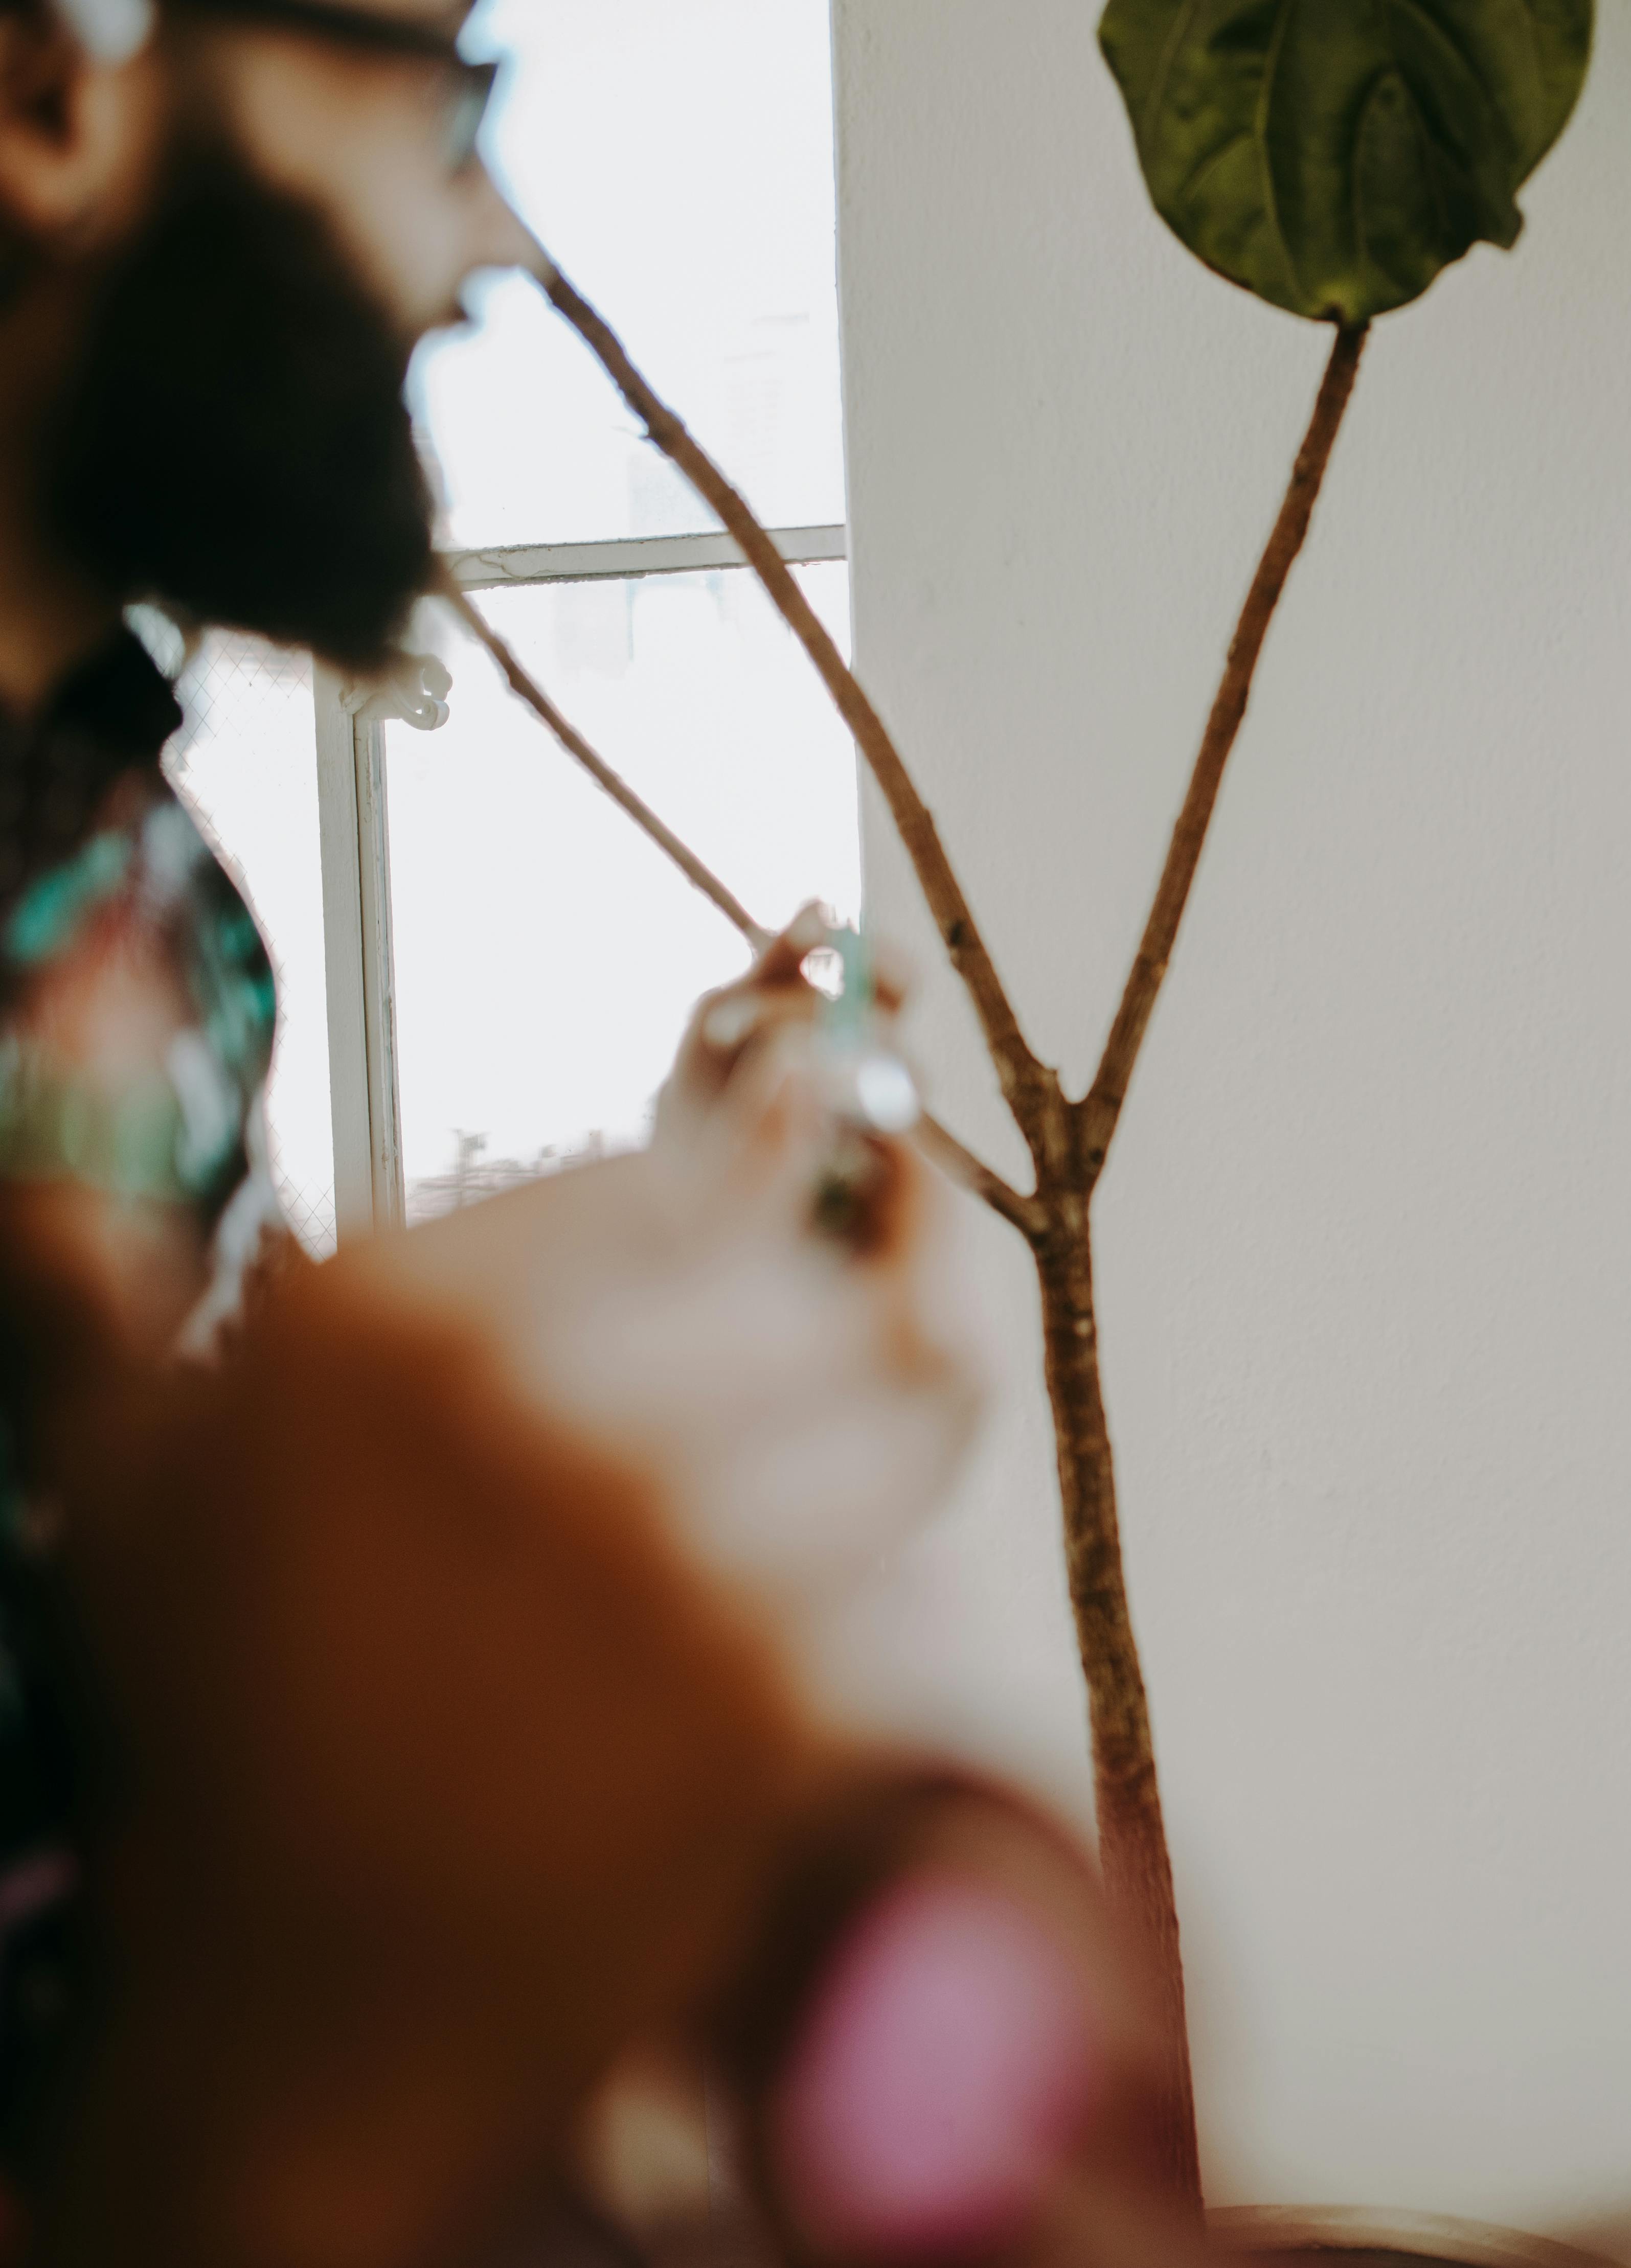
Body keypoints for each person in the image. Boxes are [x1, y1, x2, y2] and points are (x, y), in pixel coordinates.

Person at [0, 2, 1061, 2249]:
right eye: (441, 93)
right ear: (50, 83)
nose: (483, 241)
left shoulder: (126, 872)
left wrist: (667, 1217)